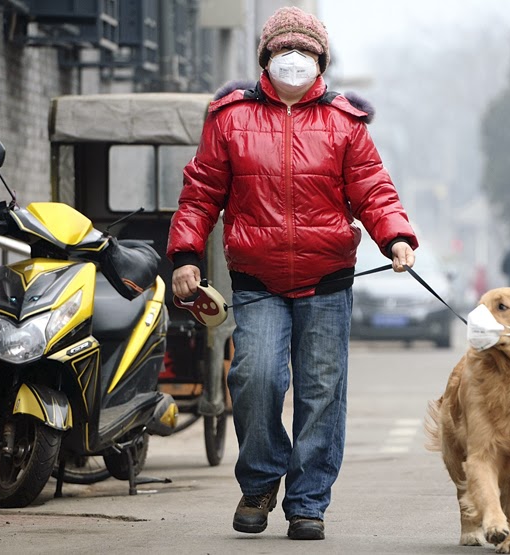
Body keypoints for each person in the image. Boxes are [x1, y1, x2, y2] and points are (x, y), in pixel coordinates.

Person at [166, 6, 418, 541]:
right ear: (266, 56)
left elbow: (374, 190)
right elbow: (202, 191)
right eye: (284, 50)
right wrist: (185, 255)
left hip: (326, 281)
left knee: (321, 390)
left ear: (322, 59)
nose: (295, 59)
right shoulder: (229, 116)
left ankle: (308, 502)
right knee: (255, 379)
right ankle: (259, 483)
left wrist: (395, 237)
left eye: (305, 51)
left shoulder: (345, 122)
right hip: (257, 281)